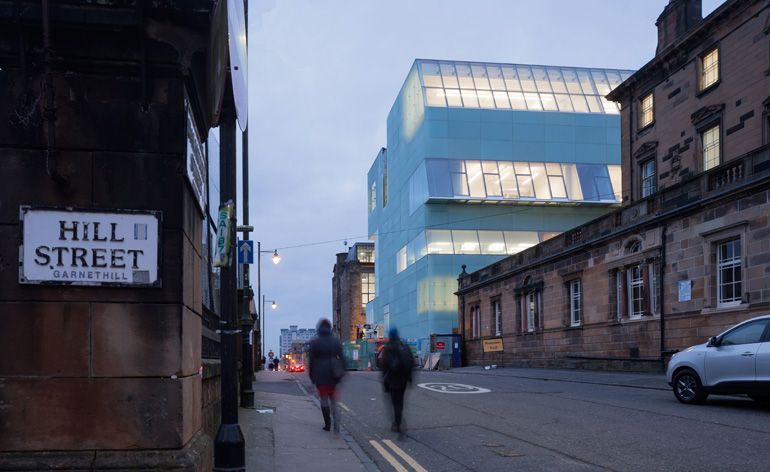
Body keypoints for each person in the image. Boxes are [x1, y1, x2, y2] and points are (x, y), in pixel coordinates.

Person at [308, 318, 346, 432]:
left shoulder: (315, 342)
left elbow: (311, 361)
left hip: (320, 375)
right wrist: (343, 371)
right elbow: (342, 358)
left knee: (324, 399)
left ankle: (327, 424)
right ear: (329, 328)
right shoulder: (335, 341)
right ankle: (337, 425)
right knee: (334, 400)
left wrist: (312, 376)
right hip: (334, 374)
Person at [380, 327, 414, 436]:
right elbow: (412, 362)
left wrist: (384, 382)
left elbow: (384, 367)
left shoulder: (388, 348)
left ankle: (398, 423)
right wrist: (409, 378)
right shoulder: (404, 346)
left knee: (395, 403)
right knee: (400, 401)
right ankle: (397, 421)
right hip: (403, 380)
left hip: (392, 380)